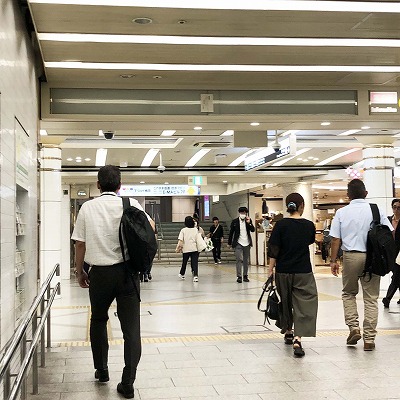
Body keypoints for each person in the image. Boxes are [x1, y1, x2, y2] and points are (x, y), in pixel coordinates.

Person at [71, 165, 154, 399]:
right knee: (131, 329)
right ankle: (128, 382)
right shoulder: (131, 204)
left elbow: (80, 244)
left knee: (98, 320)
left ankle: (102, 370)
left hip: (99, 274)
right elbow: (150, 230)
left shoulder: (87, 207)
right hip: (128, 274)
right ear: (120, 185)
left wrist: (80, 273)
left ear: (98, 185)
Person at [329, 179, 392, 351]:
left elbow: (335, 239)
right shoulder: (376, 209)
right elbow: (389, 233)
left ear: (348, 195)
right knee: (371, 298)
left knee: (348, 293)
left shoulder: (342, 212)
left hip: (351, 257)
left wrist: (333, 260)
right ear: (366, 193)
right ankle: (369, 339)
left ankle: (354, 327)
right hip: (373, 258)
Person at [267, 193, 318, 357]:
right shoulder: (309, 226)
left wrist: (270, 270)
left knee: (286, 301)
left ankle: (288, 330)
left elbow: (274, 249)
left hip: (283, 271)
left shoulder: (280, 225)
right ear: (302, 205)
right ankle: (297, 338)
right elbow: (309, 241)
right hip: (303, 271)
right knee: (304, 304)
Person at [228, 206, 255, 283]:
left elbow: (253, 230)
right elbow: (231, 233)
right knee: (239, 259)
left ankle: (245, 275)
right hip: (238, 243)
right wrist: (229, 243)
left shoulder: (248, 221)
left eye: (245, 213)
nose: (243, 214)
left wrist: (249, 223)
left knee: (246, 260)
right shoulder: (235, 222)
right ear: (239, 213)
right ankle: (239, 276)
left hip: (247, 243)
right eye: (242, 213)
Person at [382, 198, 400, 308]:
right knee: (398, 274)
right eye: (394, 207)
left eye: (399, 208)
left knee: (397, 274)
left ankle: (387, 298)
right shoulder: (387, 220)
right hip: (390, 253)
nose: (396, 210)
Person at [176, 216, 201, 282]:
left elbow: (180, 240)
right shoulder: (195, 230)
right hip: (194, 248)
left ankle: (182, 273)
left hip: (186, 249)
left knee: (184, 262)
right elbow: (198, 239)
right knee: (195, 263)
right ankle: (195, 276)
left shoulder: (183, 230)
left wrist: (178, 248)